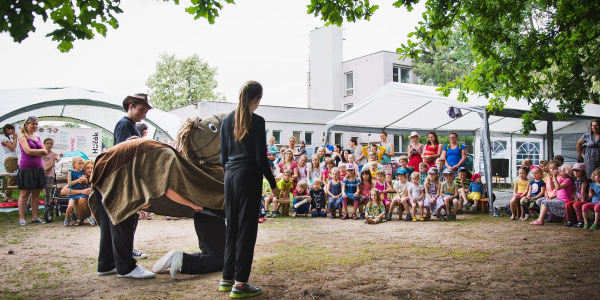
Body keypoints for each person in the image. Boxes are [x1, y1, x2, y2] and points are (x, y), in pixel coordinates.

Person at [219, 81, 277, 297]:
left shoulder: (226, 121)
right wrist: (273, 184)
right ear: (258, 99)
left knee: (231, 226)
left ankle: (227, 277)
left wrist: (231, 173)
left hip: (230, 176)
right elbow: (261, 159)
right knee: (247, 229)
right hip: (248, 176)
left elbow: (222, 158)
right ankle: (241, 283)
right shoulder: (258, 121)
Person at [96, 93, 152, 279]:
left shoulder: (130, 126)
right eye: (141, 109)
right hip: (119, 181)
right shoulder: (125, 125)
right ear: (130, 106)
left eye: (145, 111)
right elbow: (124, 154)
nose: (143, 114)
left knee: (109, 224)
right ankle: (126, 267)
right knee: (124, 222)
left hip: (110, 181)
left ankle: (106, 264)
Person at [16, 116, 47, 226]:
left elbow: (45, 152)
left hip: (38, 168)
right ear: (27, 124)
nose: (35, 126)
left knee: (36, 193)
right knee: (25, 193)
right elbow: (28, 151)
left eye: (36, 124)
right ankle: (21, 218)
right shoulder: (22, 137)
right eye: (33, 124)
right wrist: (40, 151)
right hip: (26, 168)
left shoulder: (38, 137)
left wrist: (39, 151)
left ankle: (35, 217)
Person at [64, 157, 88, 226]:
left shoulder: (82, 172)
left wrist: (84, 179)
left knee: (82, 200)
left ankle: (80, 217)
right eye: (79, 163)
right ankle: (66, 218)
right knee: (70, 206)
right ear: (74, 164)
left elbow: (86, 182)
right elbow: (69, 183)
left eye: (82, 164)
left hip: (81, 190)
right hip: (73, 192)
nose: (81, 165)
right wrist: (78, 180)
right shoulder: (70, 172)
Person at [2, 124, 18, 203]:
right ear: (6, 129)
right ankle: (8, 197)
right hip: (10, 159)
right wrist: (15, 139)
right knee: (11, 178)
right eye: (11, 129)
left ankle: (8, 195)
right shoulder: (4, 138)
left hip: (15, 158)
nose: (13, 131)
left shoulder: (9, 138)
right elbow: (11, 148)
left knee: (13, 177)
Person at [41, 138, 58, 209]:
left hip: (49, 174)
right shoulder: (40, 153)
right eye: (47, 143)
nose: (49, 145)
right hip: (40, 174)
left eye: (51, 144)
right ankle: (29, 206)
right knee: (34, 191)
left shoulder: (54, 154)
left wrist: (44, 170)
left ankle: (47, 206)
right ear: (44, 144)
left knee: (48, 192)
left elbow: (51, 165)